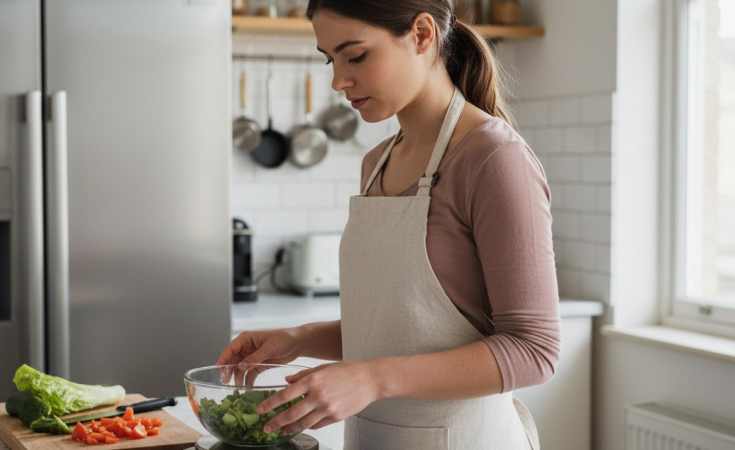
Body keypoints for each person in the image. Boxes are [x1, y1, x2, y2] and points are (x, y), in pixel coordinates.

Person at [216, 1, 560, 448]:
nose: (338, 81)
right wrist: (298, 339)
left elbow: (534, 349)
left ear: (422, 34)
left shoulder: (493, 158)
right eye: (331, 60)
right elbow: (400, 330)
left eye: (355, 56)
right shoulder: (377, 163)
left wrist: (372, 379)